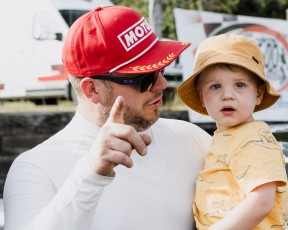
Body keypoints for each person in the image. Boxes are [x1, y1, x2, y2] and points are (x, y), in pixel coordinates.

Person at [3, 6, 212, 230]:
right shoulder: (35, 168)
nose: (162, 85)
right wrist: (91, 173)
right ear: (92, 90)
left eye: (162, 69)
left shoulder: (192, 139)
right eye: (146, 77)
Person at [178, 34, 288, 229]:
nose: (227, 95)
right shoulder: (225, 137)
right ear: (202, 98)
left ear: (258, 94)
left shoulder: (255, 138)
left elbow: (261, 202)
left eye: (240, 85)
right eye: (215, 86)